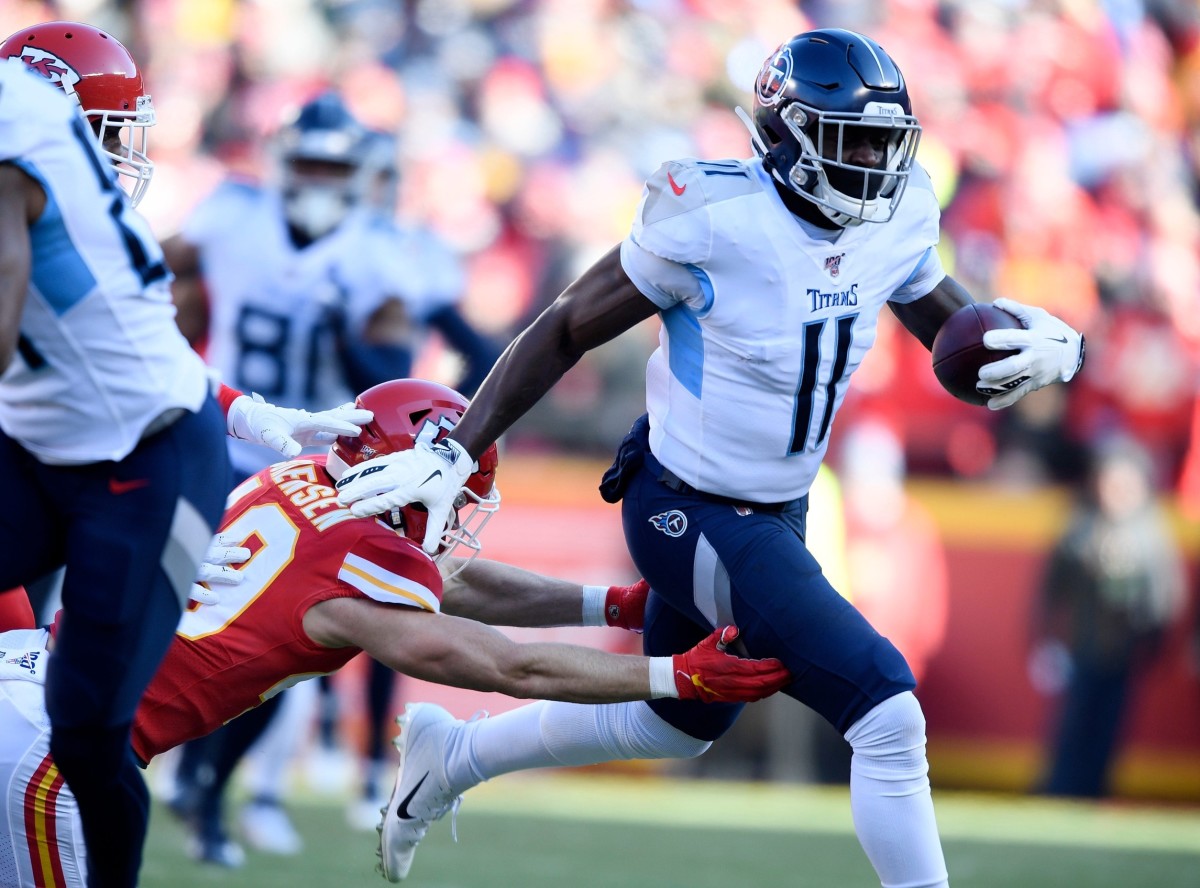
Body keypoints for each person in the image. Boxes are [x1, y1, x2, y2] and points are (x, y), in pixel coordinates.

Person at [334, 29, 1088, 887]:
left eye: (887, 140)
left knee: (677, 721)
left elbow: (956, 345)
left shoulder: (899, 213)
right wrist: (462, 448)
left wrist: (1050, 350)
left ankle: (454, 754)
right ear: (788, 135)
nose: (877, 161)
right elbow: (566, 326)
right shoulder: (714, 216)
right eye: (854, 140)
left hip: (782, 508)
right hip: (684, 507)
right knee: (886, 712)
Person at [0, 377, 789, 888]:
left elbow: (447, 581)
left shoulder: (299, 480)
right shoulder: (360, 565)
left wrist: (607, 605)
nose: (455, 521)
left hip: (26, 679)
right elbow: (500, 667)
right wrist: (671, 677)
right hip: (56, 751)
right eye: (456, 497)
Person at [0, 22, 373, 888]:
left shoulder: (25, 162)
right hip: (61, 446)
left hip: (142, 468)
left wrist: (250, 419)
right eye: (110, 129)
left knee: (85, 730)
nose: (117, 156)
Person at [160, 90, 502, 856]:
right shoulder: (231, 216)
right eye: (306, 161)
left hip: (325, 467)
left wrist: (344, 328)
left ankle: (207, 789)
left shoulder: (380, 253)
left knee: (285, 647)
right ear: (282, 161)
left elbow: (393, 369)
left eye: (330, 166)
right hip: (217, 442)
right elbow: (147, 279)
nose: (316, 177)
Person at [1030, 434, 1185, 798]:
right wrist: (1046, 640)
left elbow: (1165, 593)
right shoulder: (1081, 527)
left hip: (1124, 652)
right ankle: (1060, 789)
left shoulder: (1150, 533)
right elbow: (1051, 591)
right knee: (1072, 723)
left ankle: (1094, 789)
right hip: (1081, 646)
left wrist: (1155, 640)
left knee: (1109, 727)